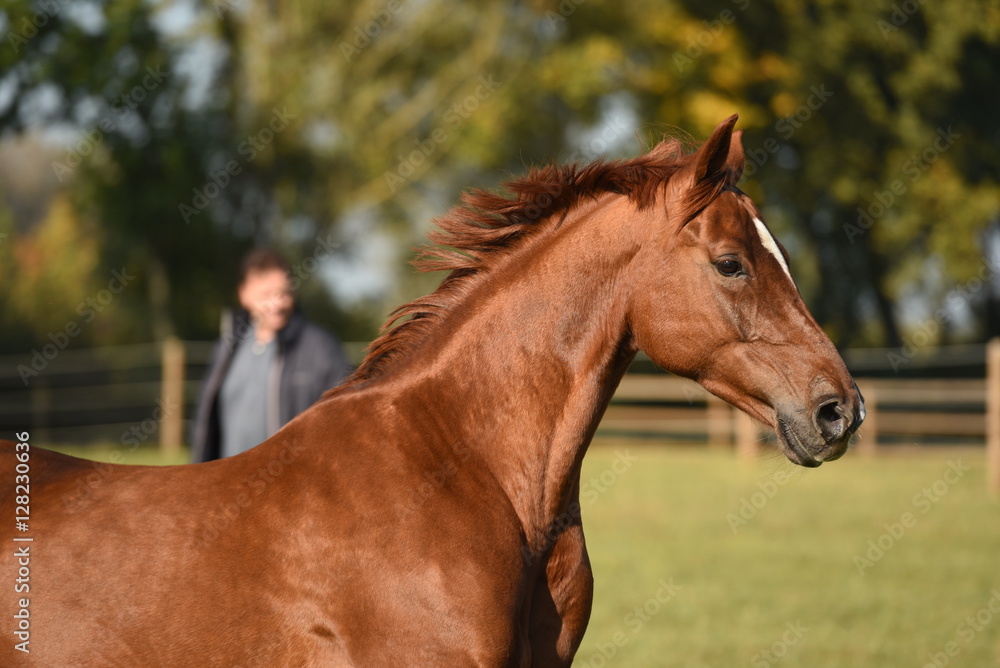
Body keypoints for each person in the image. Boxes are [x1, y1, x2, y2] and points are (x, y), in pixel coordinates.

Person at [191, 248, 351, 462]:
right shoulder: (227, 346)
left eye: (283, 294)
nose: (276, 304)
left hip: (288, 486)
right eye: (266, 295)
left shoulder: (321, 346)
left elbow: (345, 415)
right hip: (226, 483)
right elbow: (206, 422)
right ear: (244, 294)